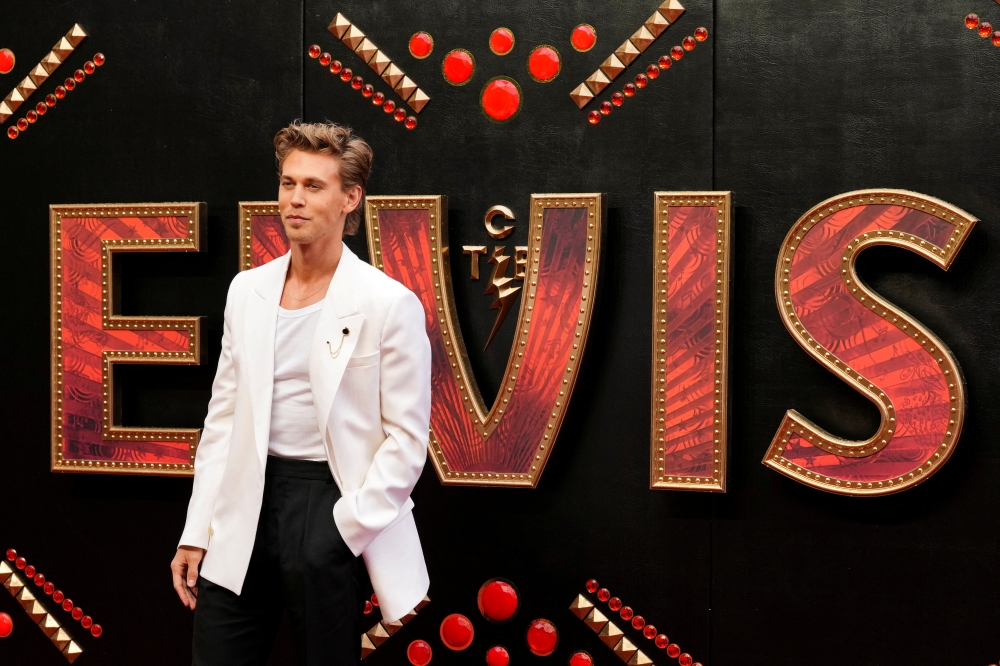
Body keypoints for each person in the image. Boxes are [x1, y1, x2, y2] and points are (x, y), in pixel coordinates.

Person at [170, 121, 432, 665]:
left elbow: (407, 441)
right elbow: (222, 419)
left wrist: (343, 530)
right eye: (288, 183)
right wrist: (197, 529)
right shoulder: (248, 290)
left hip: (325, 502)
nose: (295, 199)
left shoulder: (389, 303)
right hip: (244, 501)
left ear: (349, 198)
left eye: (314, 186)